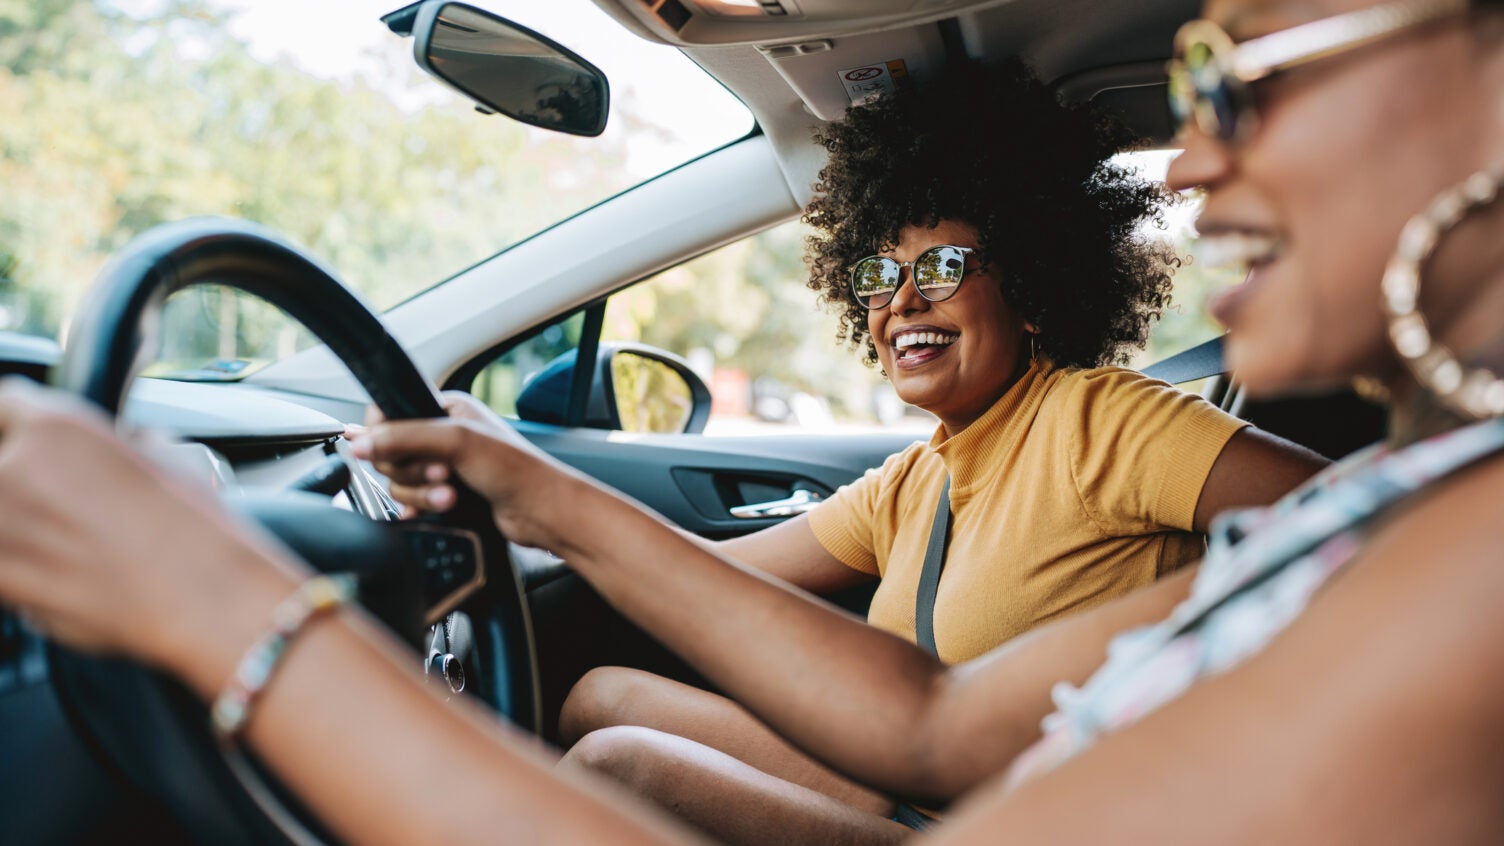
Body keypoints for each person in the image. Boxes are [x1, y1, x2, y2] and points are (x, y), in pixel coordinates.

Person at [3, 0, 1503, 841]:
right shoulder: (1402, 517)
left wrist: (221, 601)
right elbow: (927, 720)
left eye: (1232, 77)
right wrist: (533, 482)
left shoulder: (1458, 567)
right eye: (883, 271)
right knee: (601, 716)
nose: (1184, 165)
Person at [552, 59, 1322, 842]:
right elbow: (704, 579)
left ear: (1031, 292)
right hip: (903, 791)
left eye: (943, 266)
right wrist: (529, 518)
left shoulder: (1105, 422)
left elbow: (1372, 524)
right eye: (881, 274)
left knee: (619, 762)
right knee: (601, 696)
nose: (904, 301)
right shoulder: (912, 481)